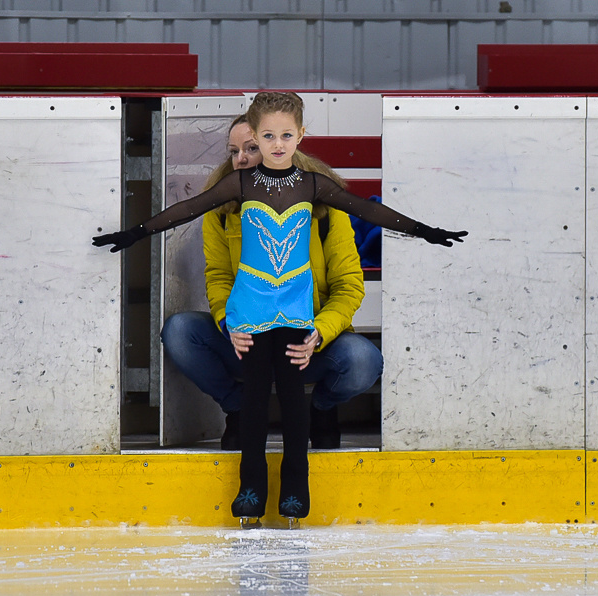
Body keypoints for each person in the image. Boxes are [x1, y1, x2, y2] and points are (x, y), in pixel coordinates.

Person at [93, 92, 467, 523]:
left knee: (298, 397)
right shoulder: (233, 193)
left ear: (300, 137)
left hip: (301, 322)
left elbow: (362, 237)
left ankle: (300, 474)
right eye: (251, 143)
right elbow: (190, 222)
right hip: (248, 320)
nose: (259, 151)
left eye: (276, 138)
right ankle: (250, 484)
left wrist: (426, 232)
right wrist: (135, 234)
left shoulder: (317, 193)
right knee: (249, 396)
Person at [160, 113, 384, 452]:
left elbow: (349, 286)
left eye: (252, 147)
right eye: (233, 151)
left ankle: (322, 411)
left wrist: (318, 333)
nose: (241, 159)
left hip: (305, 344)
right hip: (250, 341)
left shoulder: (325, 205)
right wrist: (228, 323)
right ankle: (240, 409)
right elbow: (219, 278)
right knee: (179, 331)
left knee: (363, 360)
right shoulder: (221, 209)